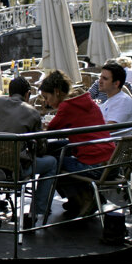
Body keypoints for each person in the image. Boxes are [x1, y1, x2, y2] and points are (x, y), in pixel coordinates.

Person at [0, 77, 57, 229]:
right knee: (51, 163)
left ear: (9, 92)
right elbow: (40, 149)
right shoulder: (32, 112)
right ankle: (36, 213)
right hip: (14, 172)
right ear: (27, 94)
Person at [41, 70, 115, 219]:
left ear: (56, 92)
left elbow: (50, 131)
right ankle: (78, 198)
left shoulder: (67, 106)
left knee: (52, 163)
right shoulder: (85, 100)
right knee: (56, 150)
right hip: (111, 162)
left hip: (95, 167)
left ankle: (84, 198)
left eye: (46, 97)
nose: (46, 102)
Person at [97, 63, 132, 133]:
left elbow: (111, 127)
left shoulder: (123, 101)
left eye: (105, 79)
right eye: (100, 77)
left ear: (116, 84)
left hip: (111, 142)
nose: (100, 81)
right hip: (103, 140)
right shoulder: (112, 100)